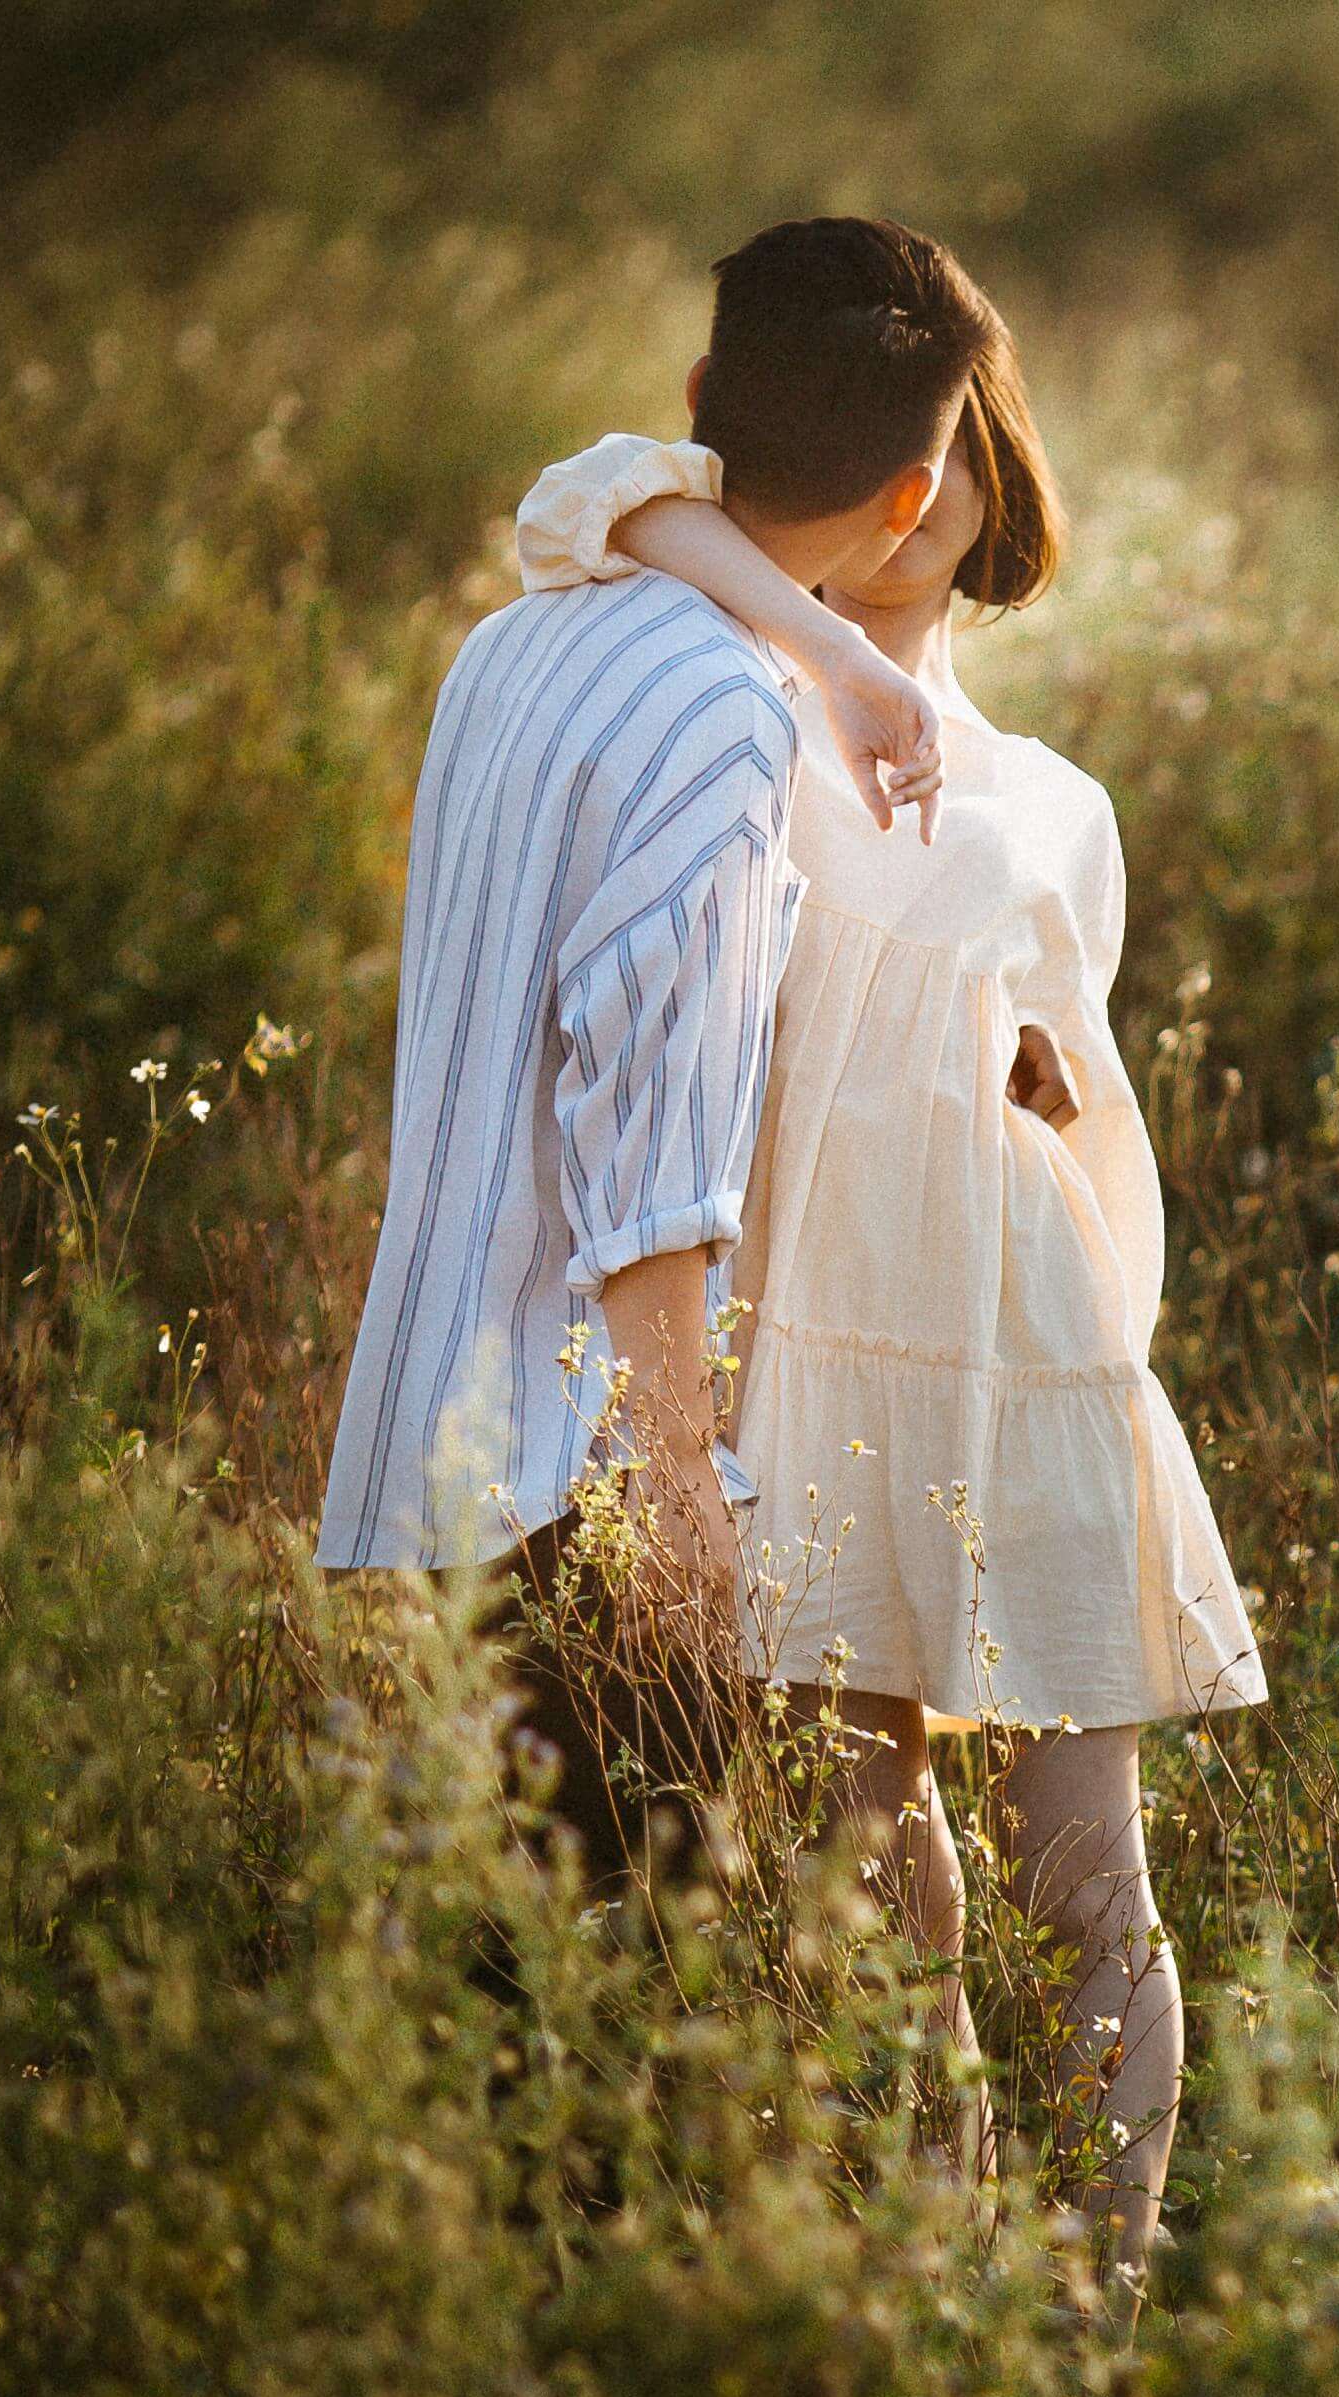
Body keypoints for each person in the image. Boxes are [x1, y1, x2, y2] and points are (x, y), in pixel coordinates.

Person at [507, 299, 1265, 2297]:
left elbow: (1086, 1110)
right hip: (802, 1342)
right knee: (866, 1863)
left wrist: (1110, 1325)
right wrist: (825, 642)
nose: (924, 509)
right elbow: (592, 499)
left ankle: (1103, 2296)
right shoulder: (727, 696)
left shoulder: (1052, 799)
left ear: (988, 492)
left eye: (964, 472)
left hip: (1013, 1336)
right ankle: (936, 2275)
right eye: (906, 471)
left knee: (1088, 1869)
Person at [316, 216, 986, 1902]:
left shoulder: (517, 636)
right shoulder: (723, 724)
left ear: (702, 397)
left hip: (437, 1424)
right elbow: (651, 1172)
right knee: (616, 2025)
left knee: (490, 1982)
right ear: (908, 502)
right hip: (580, 1474)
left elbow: (586, 493)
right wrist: (682, 1510)